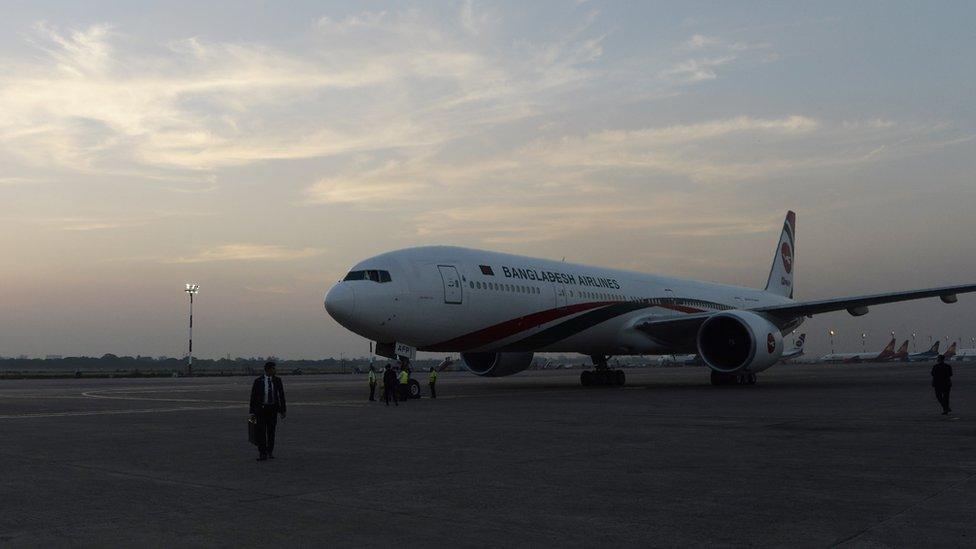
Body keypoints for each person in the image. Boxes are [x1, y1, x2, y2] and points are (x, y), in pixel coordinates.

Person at [249, 361, 286, 461]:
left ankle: (270, 451)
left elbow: (281, 396)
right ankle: (262, 453)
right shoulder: (258, 381)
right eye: (274, 369)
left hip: (272, 409)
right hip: (261, 410)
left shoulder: (277, 380)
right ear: (268, 369)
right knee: (260, 432)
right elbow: (253, 397)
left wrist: (283, 410)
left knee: (271, 432)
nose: (275, 370)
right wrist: (251, 412)